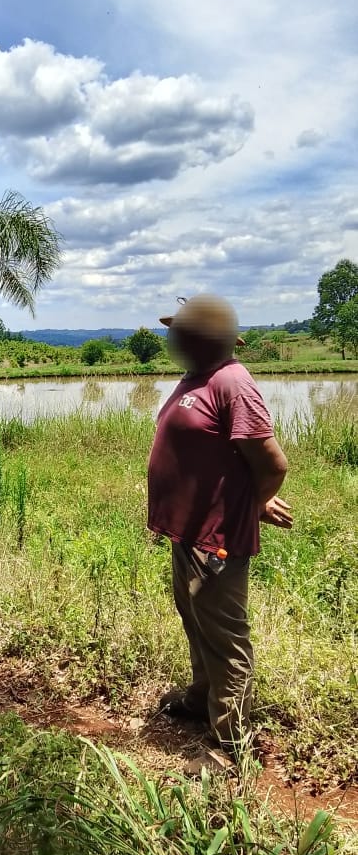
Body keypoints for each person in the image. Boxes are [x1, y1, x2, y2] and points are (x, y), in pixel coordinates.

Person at [147, 294, 293, 767]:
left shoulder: (233, 382)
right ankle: (200, 699)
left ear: (204, 338)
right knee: (196, 622)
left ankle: (231, 745)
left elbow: (271, 462)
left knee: (227, 639)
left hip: (217, 540)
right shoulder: (197, 378)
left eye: (181, 332)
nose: (173, 338)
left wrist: (255, 501)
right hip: (187, 534)